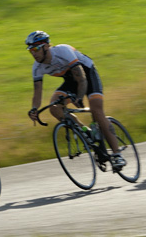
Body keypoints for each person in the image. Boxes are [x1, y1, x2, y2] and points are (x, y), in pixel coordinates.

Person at [25, 31, 127, 170]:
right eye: (30, 50)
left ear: (46, 46)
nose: (33, 53)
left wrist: (78, 97)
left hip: (87, 75)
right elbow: (37, 93)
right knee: (54, 108)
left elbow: (82, 78)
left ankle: (117, 155)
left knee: (96, 111)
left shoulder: (62, 51)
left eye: (36, 49)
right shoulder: (37, 68)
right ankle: (85, 131)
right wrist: (34, 109)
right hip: (70, 80)